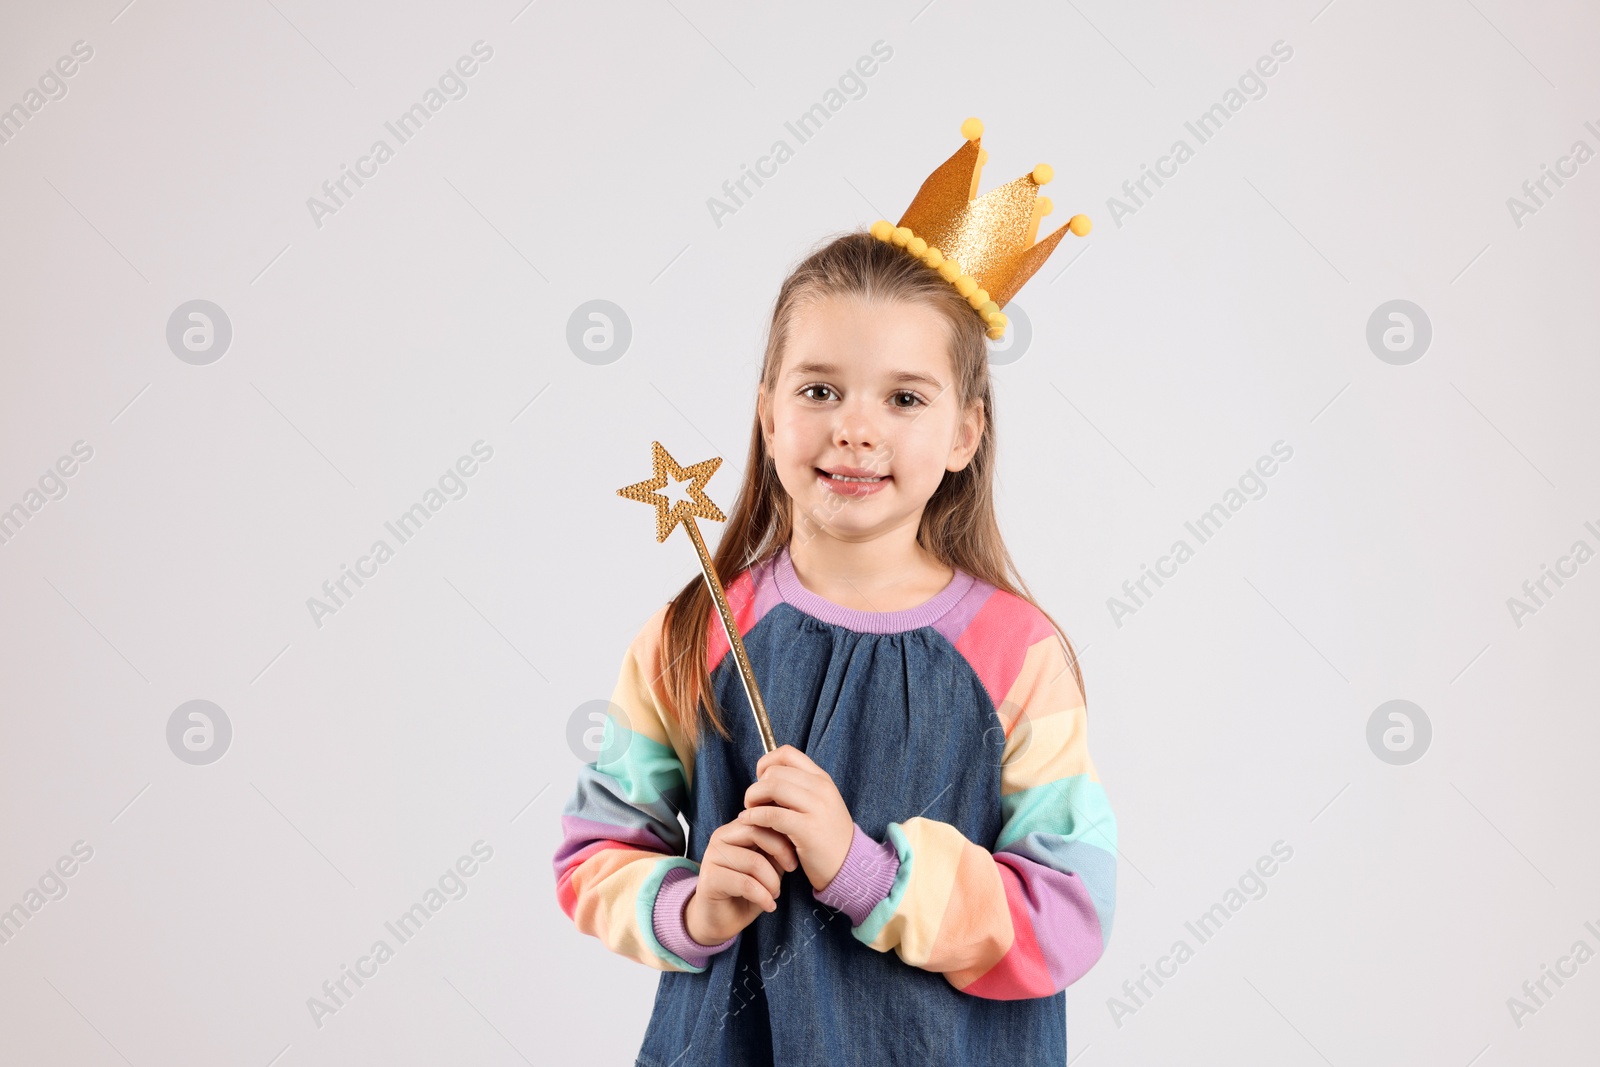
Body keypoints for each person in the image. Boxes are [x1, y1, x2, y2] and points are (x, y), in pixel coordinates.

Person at [554, 120, 1115, 1066]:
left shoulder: (1018, 653)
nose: (855, 428)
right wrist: (694, 903)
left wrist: (865, 869)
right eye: (819, 390)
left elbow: (1071, 914)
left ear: (966, 432)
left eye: (904, 398)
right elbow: (593, 852)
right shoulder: (692, 634)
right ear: (768, 407)